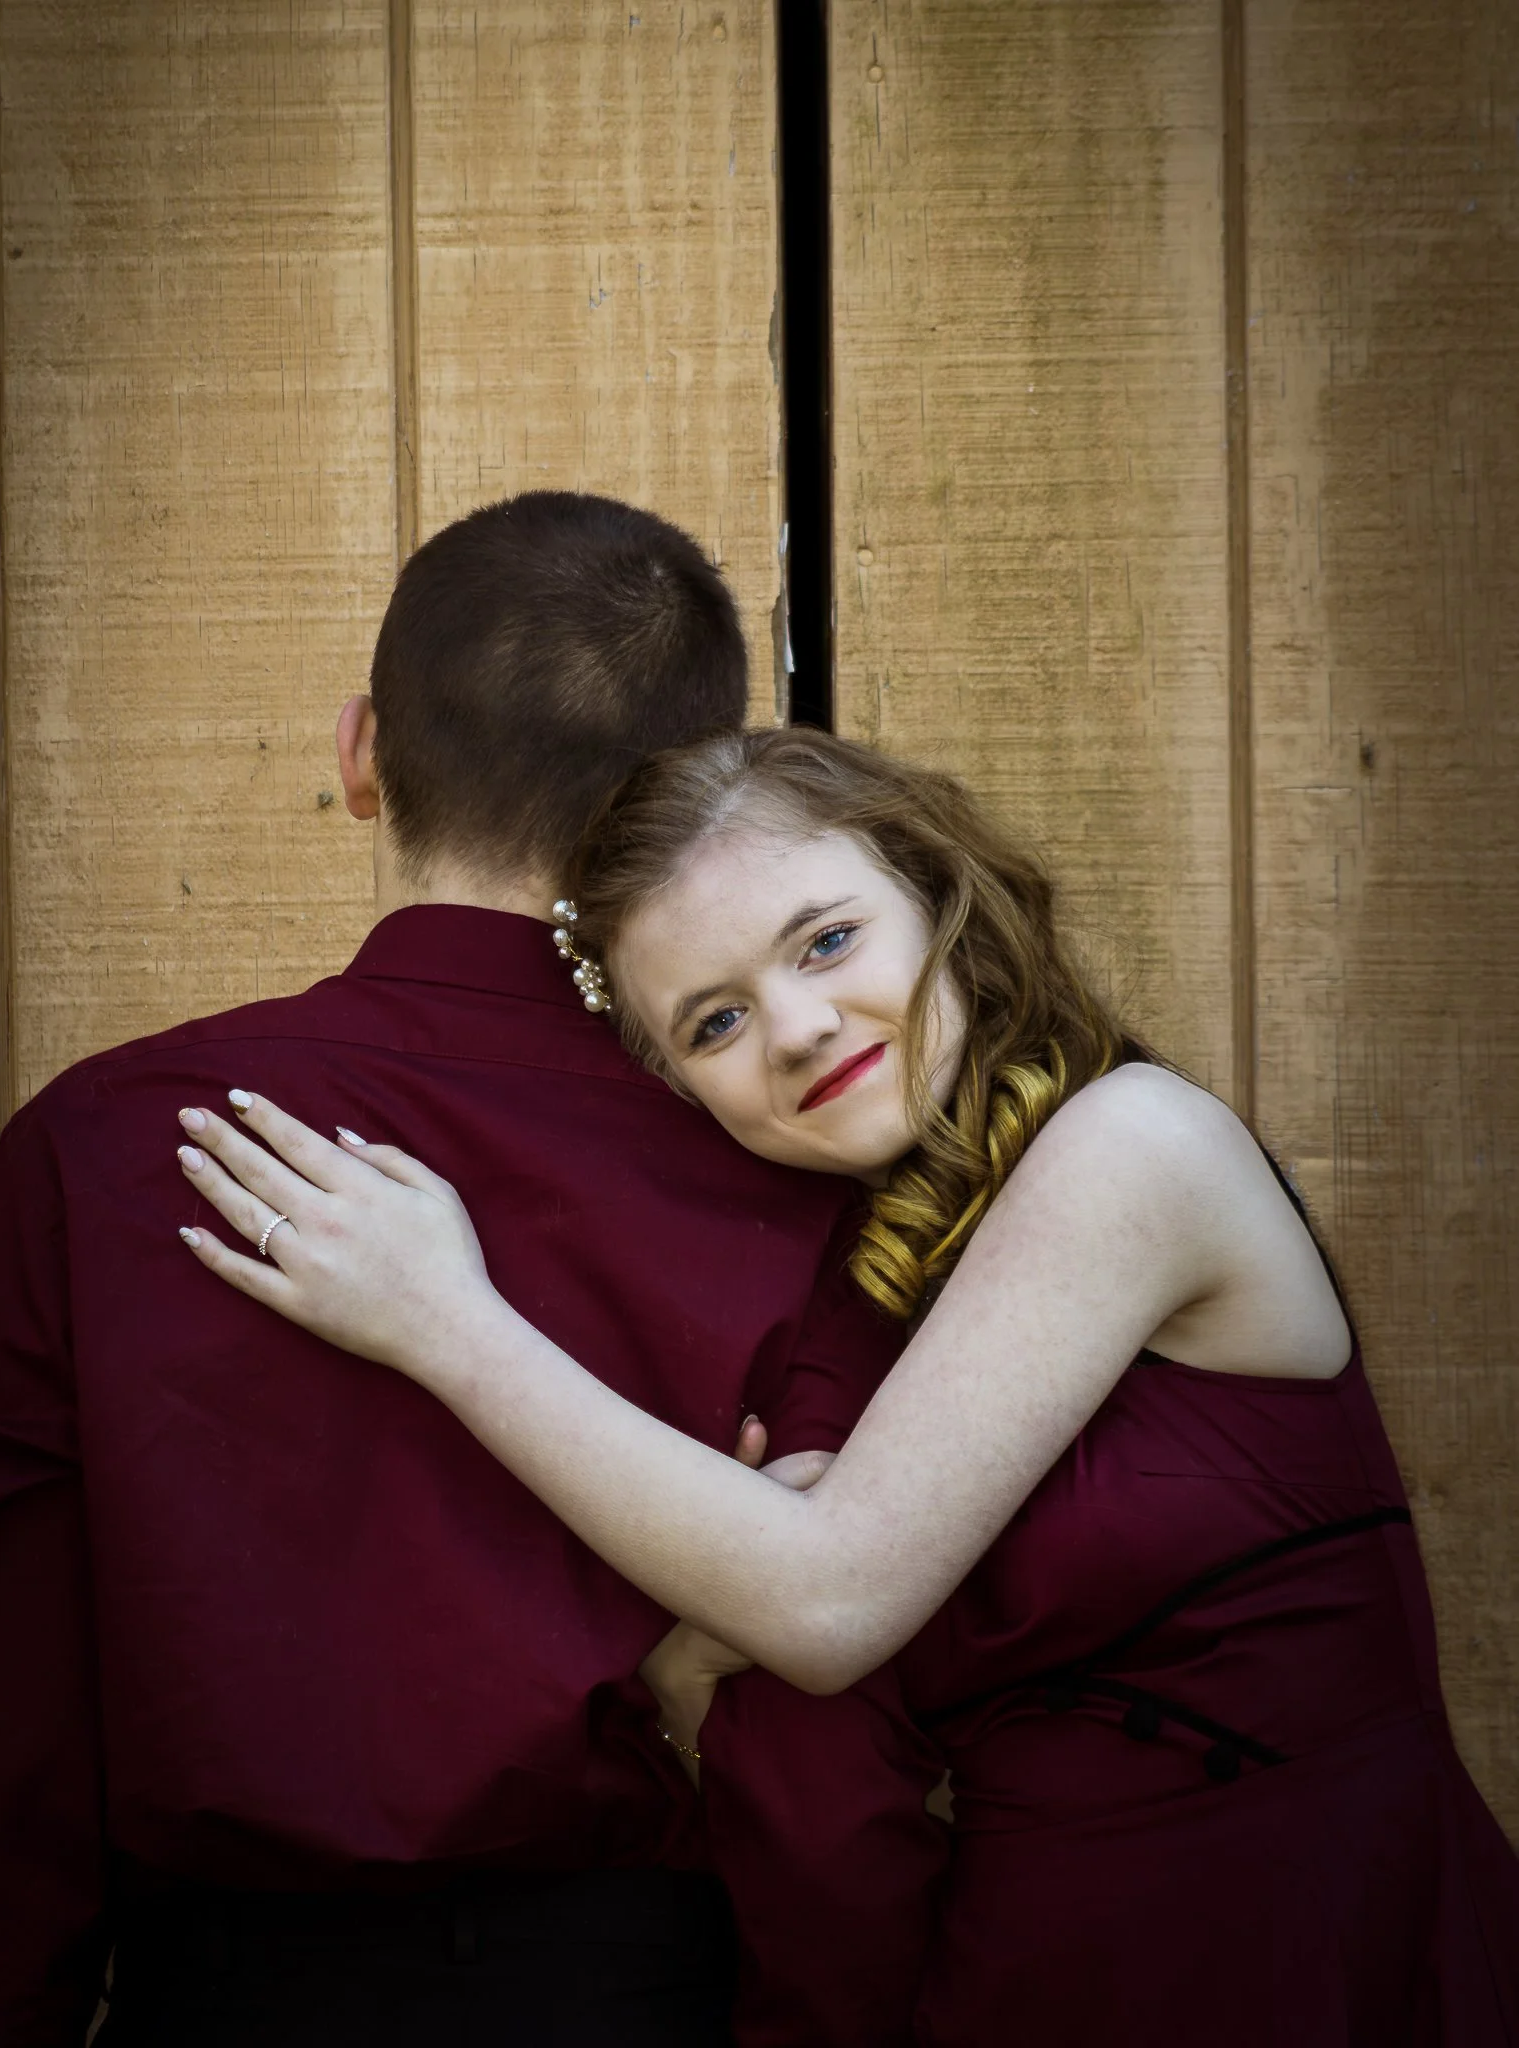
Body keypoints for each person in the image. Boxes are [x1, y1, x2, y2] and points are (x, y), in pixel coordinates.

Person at [178, 724, 1519, 2045]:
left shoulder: (1134, 1144)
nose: (800, 1030)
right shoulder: (857, 1303)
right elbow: (782, 1663)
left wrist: (441, 1320)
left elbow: (827, 1597)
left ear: (939, 896)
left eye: (824, 941)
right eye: (714, 1022)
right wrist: (702, 1635)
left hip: (1303, 1957)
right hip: (1017, 1980)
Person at [0, 506, 948, 2048]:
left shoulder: (104, 1149)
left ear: (360, 751)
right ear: (678, 800)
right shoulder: (787, 1163)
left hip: (223, 1999)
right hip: (648, 1988)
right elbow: (818, 1749)